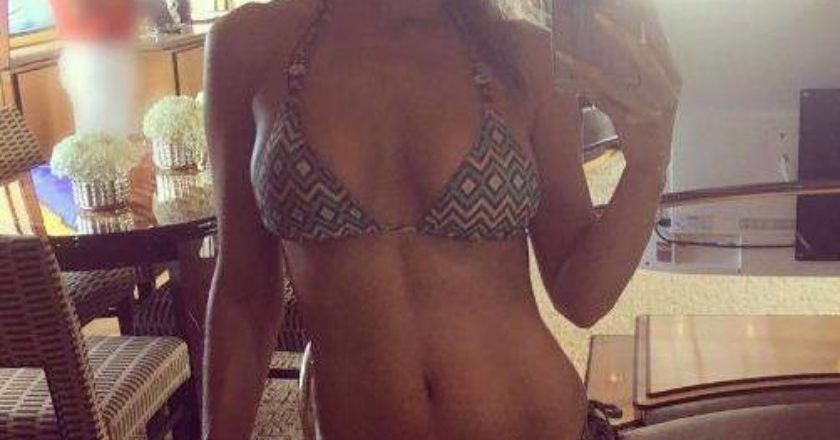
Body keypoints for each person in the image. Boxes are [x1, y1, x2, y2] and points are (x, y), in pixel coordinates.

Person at [202, 0, 679, 438]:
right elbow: (244, 296)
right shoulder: (247, 46)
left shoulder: (524, 54)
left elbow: (582, 297)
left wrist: (647, 168)